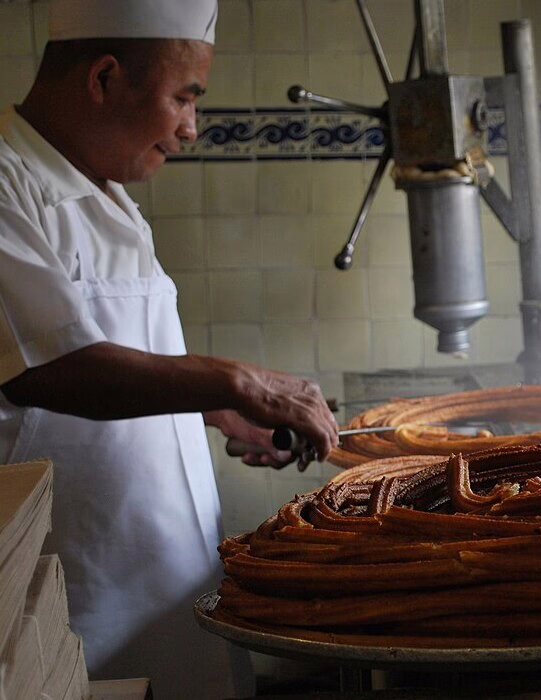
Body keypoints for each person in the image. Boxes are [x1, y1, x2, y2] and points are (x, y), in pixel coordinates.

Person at [0, 0, 339, 696]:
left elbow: (121, 351)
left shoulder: (106, 192)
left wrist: (214, 413)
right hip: (78, 603)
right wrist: (240, 383)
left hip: (170, 588)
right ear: (103, 78)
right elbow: (52, 372)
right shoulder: (8, 182)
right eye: (185, 98)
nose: (191, 128)